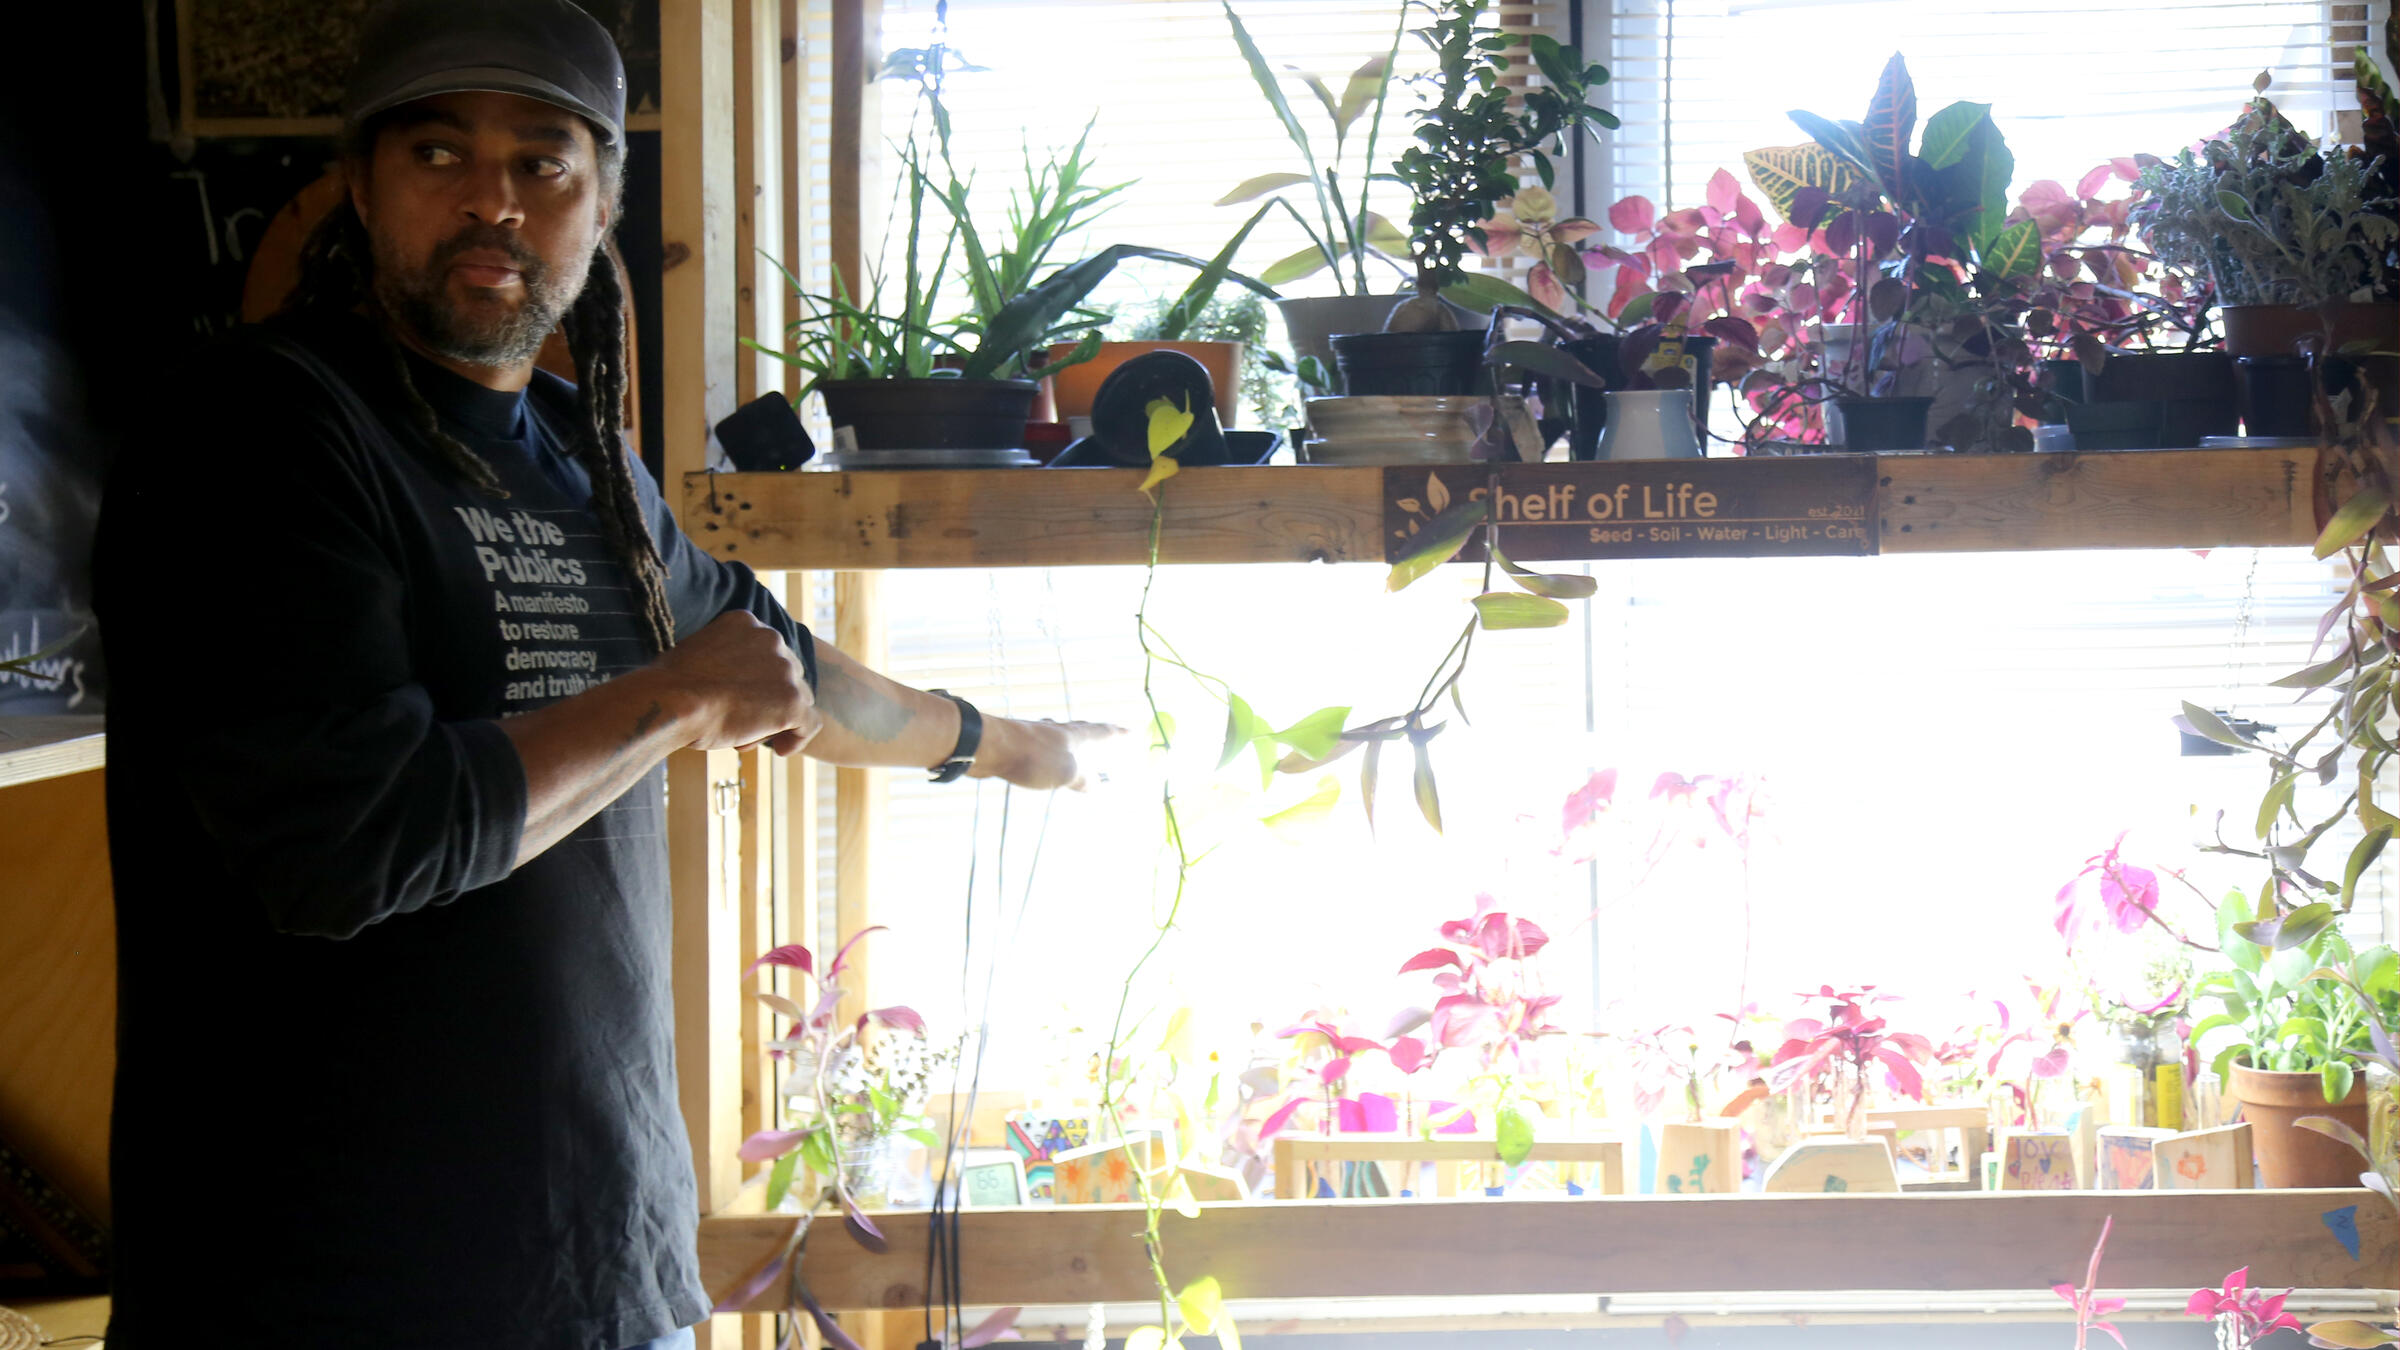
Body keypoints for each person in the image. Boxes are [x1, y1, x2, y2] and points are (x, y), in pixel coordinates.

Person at [91, 2, 1109, 1346]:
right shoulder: (263, 432)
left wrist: (1007, 743)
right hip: (326, 1287)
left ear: (603, 201)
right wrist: (671, 700)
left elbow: (783, 672)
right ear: (359, 187)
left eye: (543, 162)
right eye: (440, 155)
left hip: (593, 1266)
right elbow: (350, 840)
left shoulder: (582, 456)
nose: (492, 202)